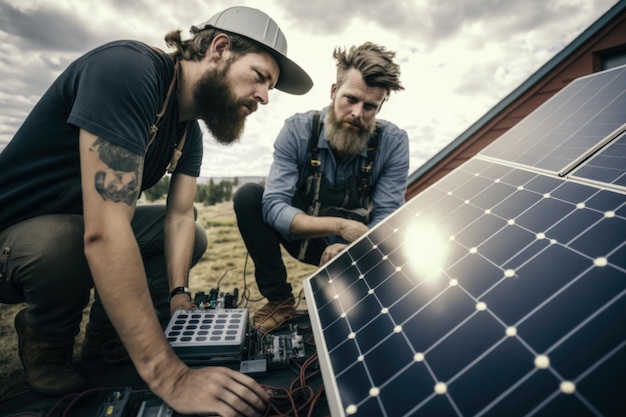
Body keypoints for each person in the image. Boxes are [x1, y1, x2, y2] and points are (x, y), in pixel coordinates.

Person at [0, 6, 312, 416]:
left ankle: (105, 337)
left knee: (192, 232)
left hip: (78, 229)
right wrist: (172, 376)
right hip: (16, 239)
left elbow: (179, 217)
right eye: (259, 77)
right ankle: (47, 337)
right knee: (66, 241)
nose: (264, 98)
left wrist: (179, 293)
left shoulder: (188, 130)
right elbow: (104, 231)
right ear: (219, 48)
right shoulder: (129, 69)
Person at [234, 42, 409, 334]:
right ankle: (279, 299)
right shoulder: (298, 130)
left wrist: (353, 245)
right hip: (305, 235)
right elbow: (274, 204)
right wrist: (339, 226)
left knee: (358, 323)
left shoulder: (393, 143)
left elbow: (388, 217)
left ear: (380, 106)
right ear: (333, 92)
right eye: (350, 99)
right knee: (249, 197)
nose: (357, 112)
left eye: (370, 107)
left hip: (355, 247)